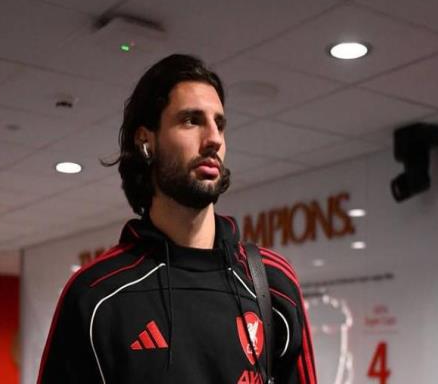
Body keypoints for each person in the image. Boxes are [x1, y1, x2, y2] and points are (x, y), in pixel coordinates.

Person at [38, 54, 317, 384]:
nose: (213, 139)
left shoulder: (273, 281)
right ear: (146, 140)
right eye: (191, 121)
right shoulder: (96, 295)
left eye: (219, 124)